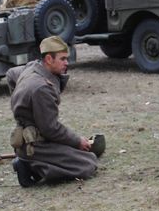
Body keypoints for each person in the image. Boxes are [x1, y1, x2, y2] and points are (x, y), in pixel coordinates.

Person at [7, 36, 98, 187]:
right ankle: (31, 167)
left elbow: (11, 74)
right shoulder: (42, 88)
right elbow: (51, 129)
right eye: (62, 59)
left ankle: (29, 162)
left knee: (82, 154)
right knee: (88, 163)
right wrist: (77, 141)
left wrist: (21, 106)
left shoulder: (33, 67)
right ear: (49, 59)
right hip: (35, 146)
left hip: (27, 140)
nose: (66, 63)